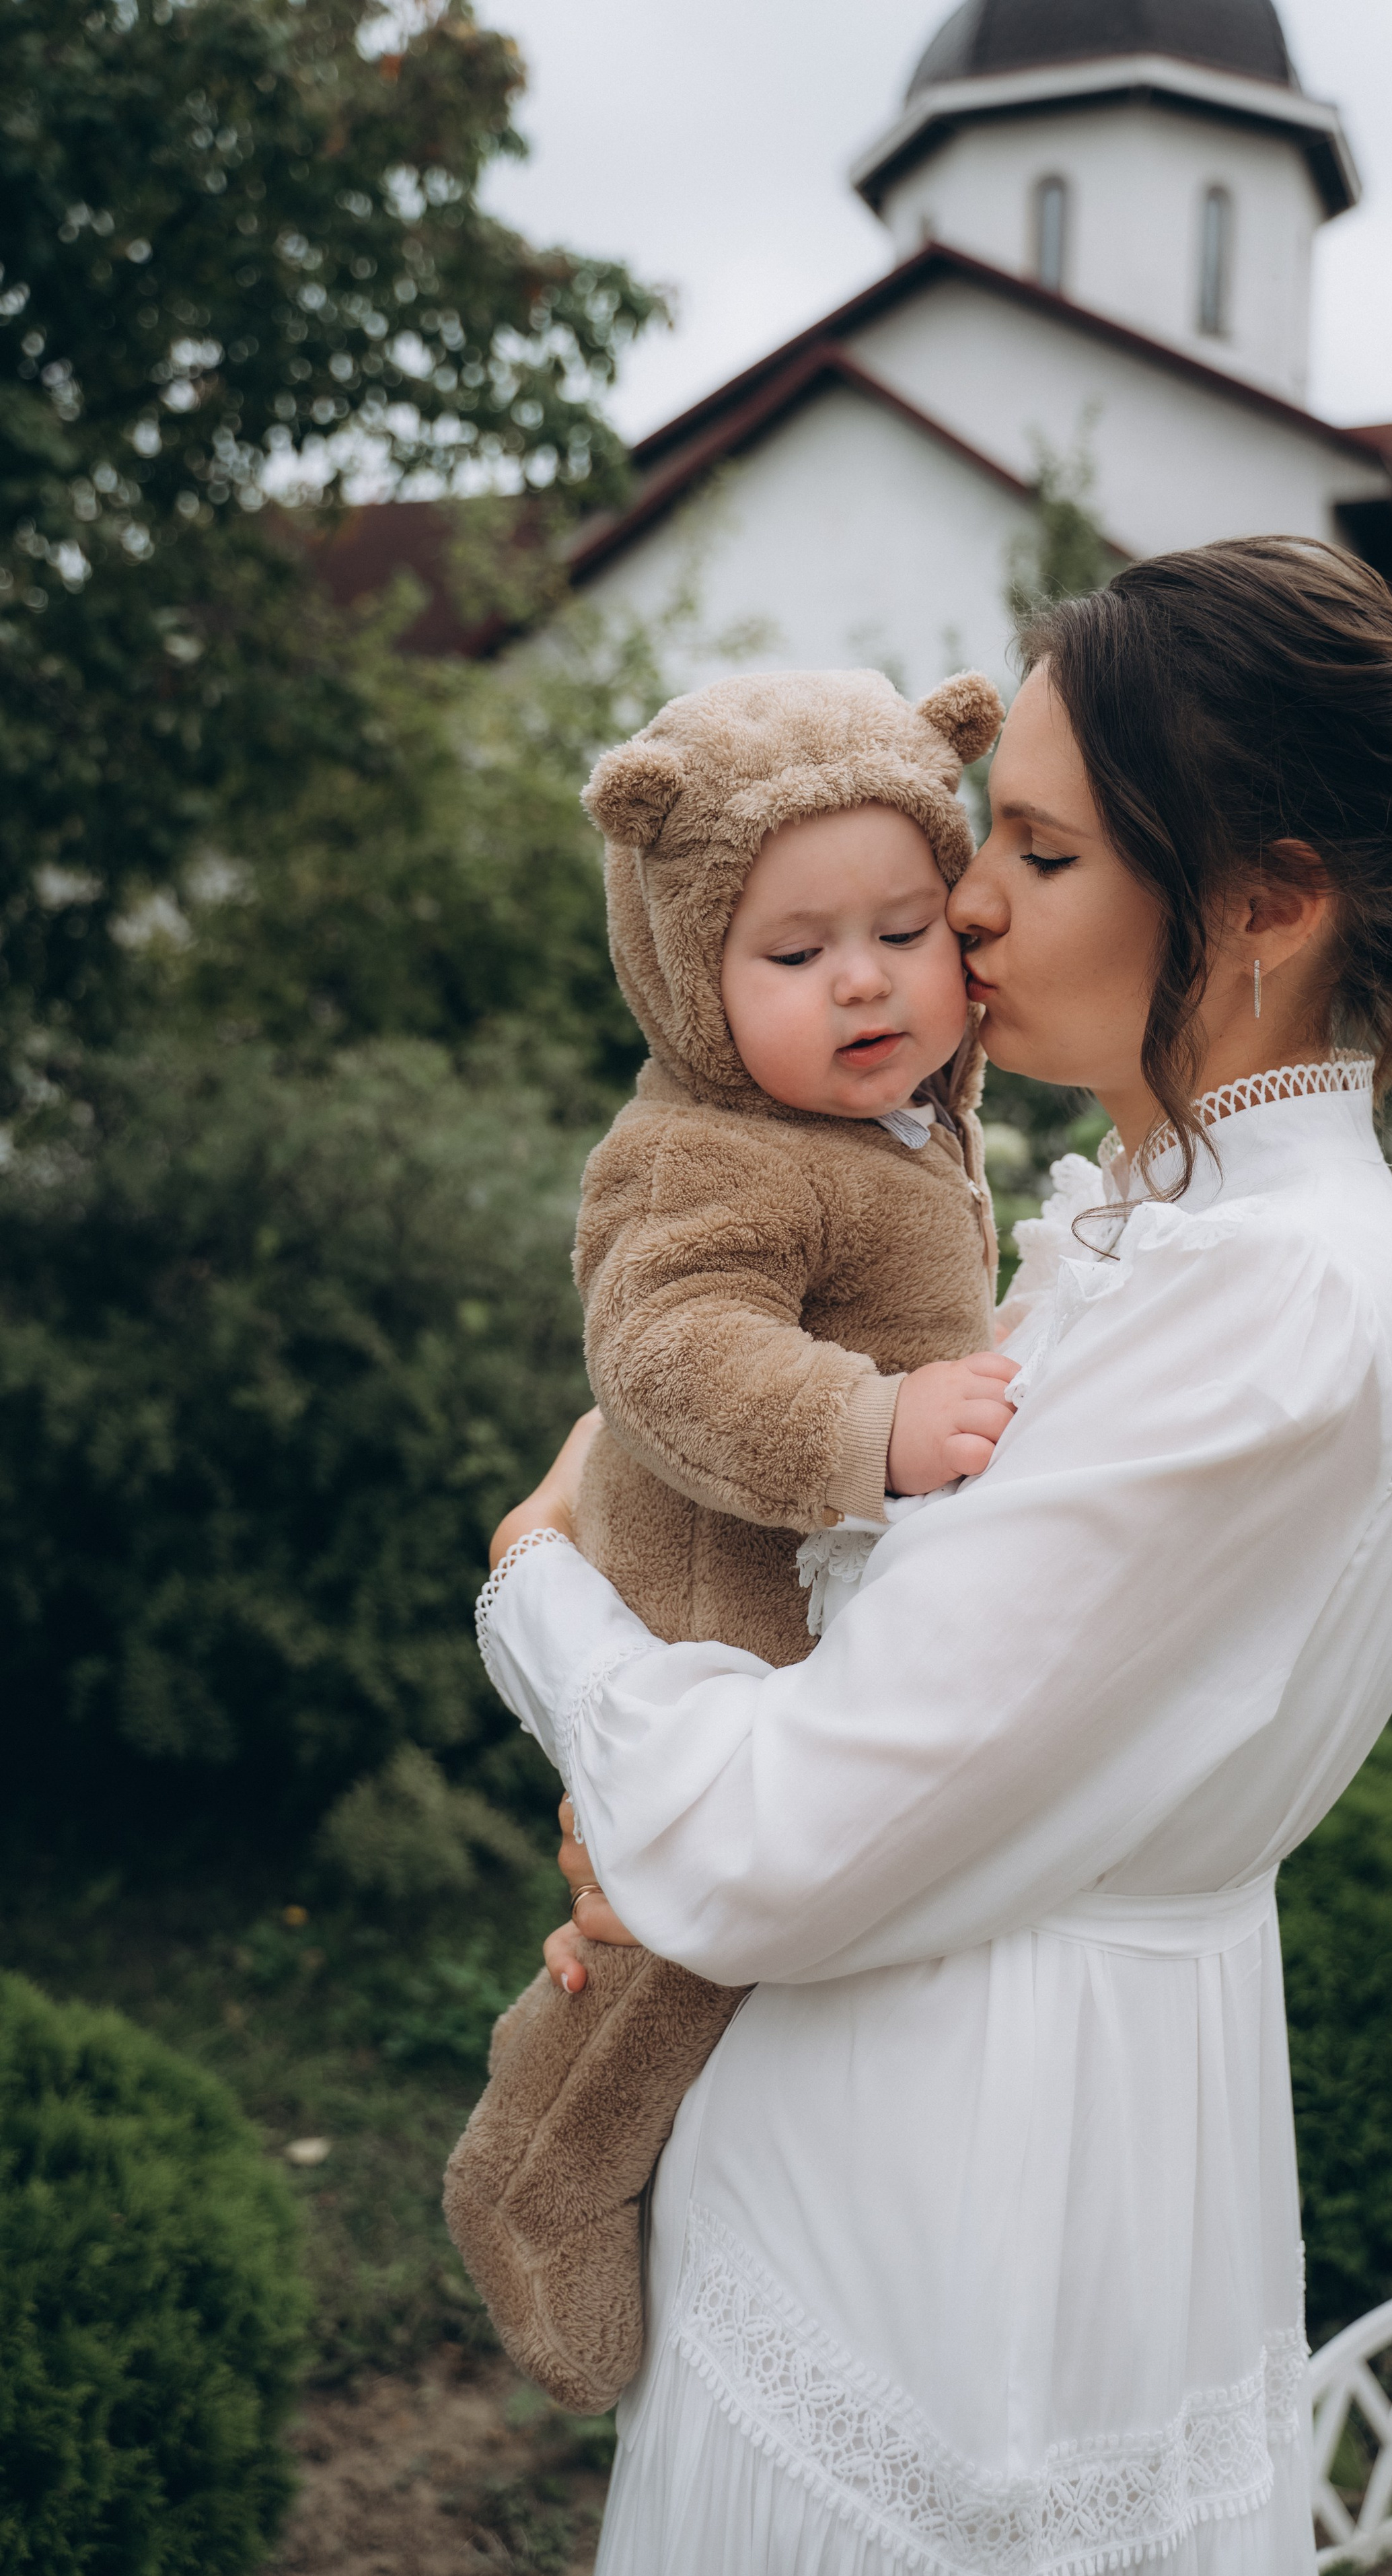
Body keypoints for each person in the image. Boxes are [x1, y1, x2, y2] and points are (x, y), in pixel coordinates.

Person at [478, 537, 1392, 2576]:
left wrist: (544, 1593)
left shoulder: (1275, 1308)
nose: (963, 905)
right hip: (909, 2148)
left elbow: (782, 1836)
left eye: (1038, 856)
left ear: (1269, 901)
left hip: (968, 2214)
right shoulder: (1158, 1234)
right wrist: (670, 1802)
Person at [449, 665, 1019, 2411]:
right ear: (685, 972)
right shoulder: (703, 1150)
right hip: (714, 1604)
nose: (864, 979)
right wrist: (871, 1426)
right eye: (793, 952)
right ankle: (533, 2176)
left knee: (739, 1921)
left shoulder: (901, 1114)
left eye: (905, 930)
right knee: (674, 1935)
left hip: (824, 1595)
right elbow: (670, 1353)